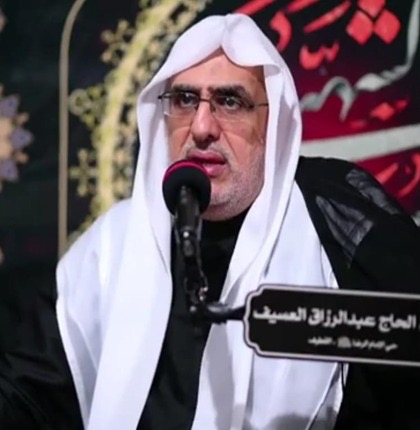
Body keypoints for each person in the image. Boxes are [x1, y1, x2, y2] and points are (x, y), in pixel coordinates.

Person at [1, 12, 420, 430]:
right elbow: (29, 393)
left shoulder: (334, 214)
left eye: (230, 102)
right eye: (185, 100)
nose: (202, 127)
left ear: (273, 122)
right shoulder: (112, 245)